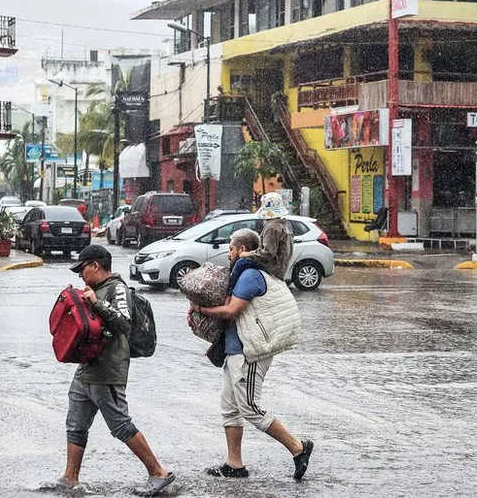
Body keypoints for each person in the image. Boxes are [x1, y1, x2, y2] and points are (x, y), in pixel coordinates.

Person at [190, 228, 313, 481]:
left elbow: (231, 311)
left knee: (250, 408)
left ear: (243, 250)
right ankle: (234, 465)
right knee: (229, 409)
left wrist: (201, 308)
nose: (229, 253)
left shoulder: (250, 275)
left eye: (232, 248)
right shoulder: (242, 273)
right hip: (234, 352)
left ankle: (298, 448)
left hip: (250, 353)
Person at [61, 245, 175, 497]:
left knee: (120, 425)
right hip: (86, 369)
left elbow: (124, 322)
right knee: (75, 426)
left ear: (95, 266)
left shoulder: (117, 288)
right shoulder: (96, 289)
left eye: (82, 269)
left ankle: (158, 472)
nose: (81, 274)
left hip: (108, 371)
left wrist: (96, 302)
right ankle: (70, 478)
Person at [240, 191, 293, 281]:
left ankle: (230, 292)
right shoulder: (284, 225)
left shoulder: (272, 227)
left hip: (272, 269)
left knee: (241, 263)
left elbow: (267, 253)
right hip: (280, 268)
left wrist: (248, 254)